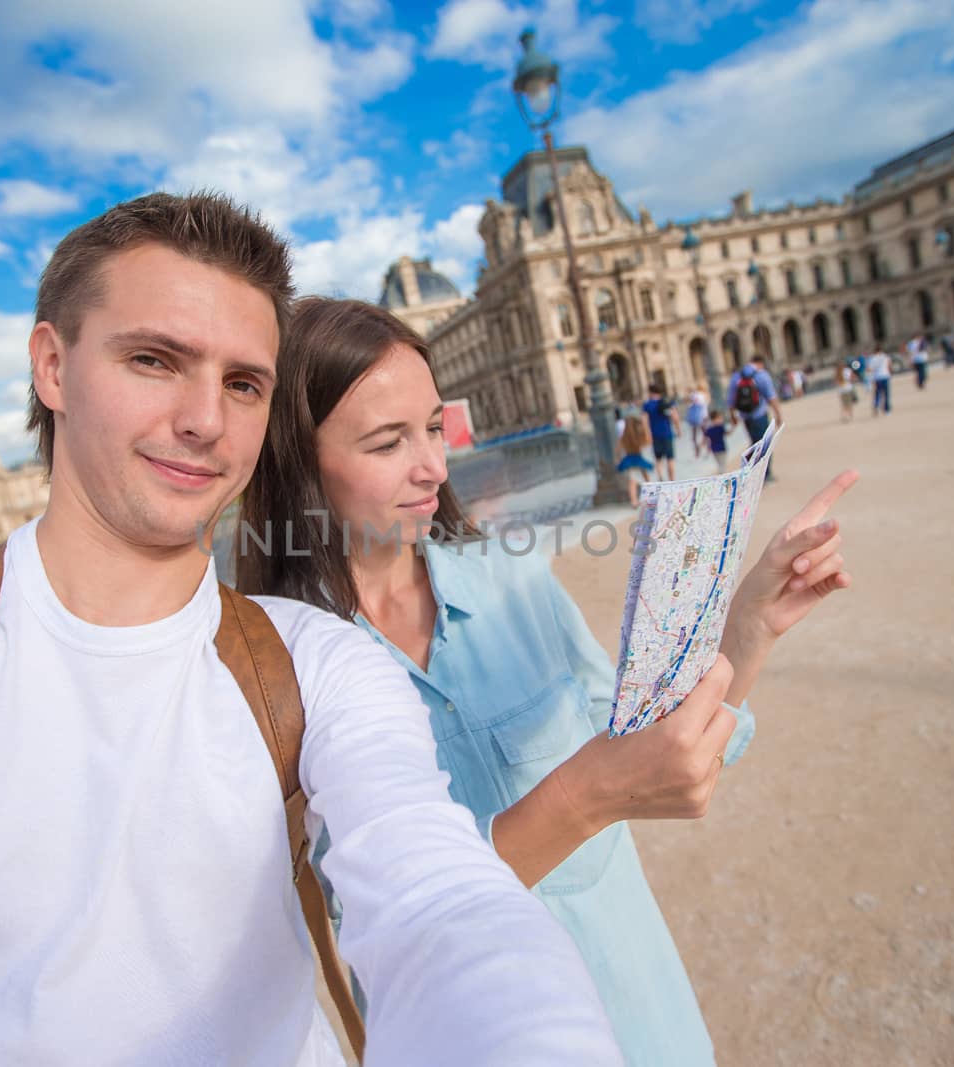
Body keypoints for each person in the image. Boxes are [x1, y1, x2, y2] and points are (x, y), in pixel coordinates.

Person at [0, 194, 623, 1064]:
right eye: (154, 359)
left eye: (243, 382)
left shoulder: (315, 661)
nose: (205, 419)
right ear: (51, 366)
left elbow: (438, 898)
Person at [238, 297, 858, 1066]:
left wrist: (749, 626)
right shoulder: (275, 669)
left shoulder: (513, 577)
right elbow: (385, 920)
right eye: (386, 441)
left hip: (640, 1018)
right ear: (298, 464)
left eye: (433, 427)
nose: (433, 464)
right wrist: (585, 792)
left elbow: (651, 746)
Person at [727, 356, 781, 483]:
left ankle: (753, 472)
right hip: (760, 415)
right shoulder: (762, 375)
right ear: (760, 363)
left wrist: (733, 416)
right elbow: (771, 396)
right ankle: (765, 475)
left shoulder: (736, 376)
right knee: (765, 444)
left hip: (745, 417)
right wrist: (778, 414)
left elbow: (730, 400)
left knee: (754, 443)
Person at [641, 383, 678, 481]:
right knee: (670, 459)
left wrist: (647, 435)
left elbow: (644, 421)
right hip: (667, 433)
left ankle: (660, 478)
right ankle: (672, 480)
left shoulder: (647, 405)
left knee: (658, 459)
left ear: (650, 392)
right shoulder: (667, 402)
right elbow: (675, 417)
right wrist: (678, 429)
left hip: (655, 435)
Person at [616, 414, 655, 506]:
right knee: (646, 477)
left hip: (629, 460)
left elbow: (618, 450)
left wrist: (618, 459)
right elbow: (649, 441)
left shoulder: (624, 437)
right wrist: (646, 425)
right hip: (639, 458)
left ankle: (633, 500)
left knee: (632, 480)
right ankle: (651, 495)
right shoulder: (639, 436)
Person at [868, 345, 893, 416]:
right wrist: (890, 373)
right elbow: (889, 366)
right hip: (885, 376)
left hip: (877, 378)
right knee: (886, 394)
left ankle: (876, 407)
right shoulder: (885, 356)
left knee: (877, 394)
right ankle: (887, 410)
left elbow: (869, 369)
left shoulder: (872, 358)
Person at [685, 389, 709, 458]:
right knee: (705, 434)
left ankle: (697, 451)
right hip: (703, 417)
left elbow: (688, 403)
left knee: (695, 436)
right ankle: (707, 448)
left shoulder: (693, 395)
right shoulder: (702, 394)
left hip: (695, 418)